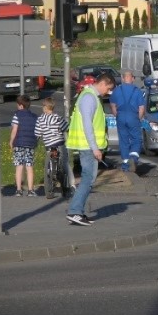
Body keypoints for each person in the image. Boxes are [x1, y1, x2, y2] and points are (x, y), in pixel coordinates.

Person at [66, 73, 116, 226]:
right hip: (88, 146)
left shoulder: (91, 96)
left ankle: (77, 211)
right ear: (102, 83)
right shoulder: (89, 98)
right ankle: (75, 211)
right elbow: (88, 125)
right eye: (108, 89)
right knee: (88, 178)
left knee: (89, 178)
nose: (108, 92)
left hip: (88, 146)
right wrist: (95, 148)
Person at [35, 97, 76, 198]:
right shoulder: (57, 117)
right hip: (59, 143)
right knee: (65, 163)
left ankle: (49, 189)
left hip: (48, 145)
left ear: (45, 107)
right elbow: (66, 127)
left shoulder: (40, 119)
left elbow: (37, 133)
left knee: (48, 164)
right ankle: (72, 185)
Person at [110, 70, 145, 172]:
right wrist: (138, 118)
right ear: (133, 78)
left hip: (120, 116)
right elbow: (141, 108)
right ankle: (133, 158)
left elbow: (113, 106)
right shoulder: (137, 91)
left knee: (123, 141)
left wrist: (117, 115)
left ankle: (125, 165)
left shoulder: (117, 90)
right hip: (133, 116)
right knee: (136, 139)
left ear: (123, 78)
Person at [9, 95, 38, 196]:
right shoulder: (35, 117)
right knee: (29, 166)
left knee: (19, 166)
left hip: (19, 144)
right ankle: (30, 190)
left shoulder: (17, 115)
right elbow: (37, 132)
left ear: (21, 106)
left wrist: (11, 141)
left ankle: (18, 189)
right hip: (30, 144)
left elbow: (15, 129)